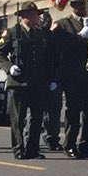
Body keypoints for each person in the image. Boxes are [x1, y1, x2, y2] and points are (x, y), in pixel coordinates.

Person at [0, 2, 53, 160]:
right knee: (18, 118)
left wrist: (50, 79)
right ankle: (19, 148)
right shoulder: (13, 32)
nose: (36, 17)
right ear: (24, 16)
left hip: (37, 82)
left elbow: (47, 58)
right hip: (18, 82)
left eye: (36, 14)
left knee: (36, 117)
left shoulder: (41, 34)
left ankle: (33, 149)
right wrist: (9, 67)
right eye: (33, 14)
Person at [51, 0, 88, 158]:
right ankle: (70, 144)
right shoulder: (63, 24)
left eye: (83, 4)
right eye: (77, 4)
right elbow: (58, 47)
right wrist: (79, 36)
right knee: (73, 112)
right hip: (73, 76)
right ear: (72, 6)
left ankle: (86, 145)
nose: (81, 7)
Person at [37, 10, 63, 152]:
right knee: (34, 114)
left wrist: (55, 79)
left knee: (53, 113)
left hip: (53, 79)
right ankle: (31, 140)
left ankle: (52, 139)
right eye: (43, 19)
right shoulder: (34, 35)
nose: (46, 21)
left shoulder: (54, 37)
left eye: (49, 18)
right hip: (37, 79)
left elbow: (58, 59)